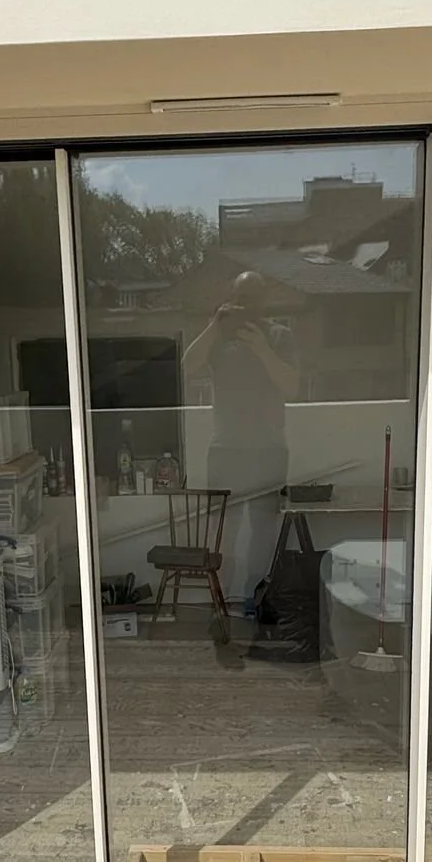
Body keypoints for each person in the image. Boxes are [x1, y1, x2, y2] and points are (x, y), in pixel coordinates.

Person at [184, 272, 299, 649]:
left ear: (264, 301)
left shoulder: (279, 336)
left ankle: (257, 603)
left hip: (268, 449)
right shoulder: (220, 336)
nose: (248, 303)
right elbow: (187, 366)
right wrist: (215, 325)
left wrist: (263, 349)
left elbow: (292, 386)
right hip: (226, 450)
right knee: (223, 535)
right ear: (231, 296)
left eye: (254, 297)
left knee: (264, 535)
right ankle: (220, 611)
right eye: (241, 296)